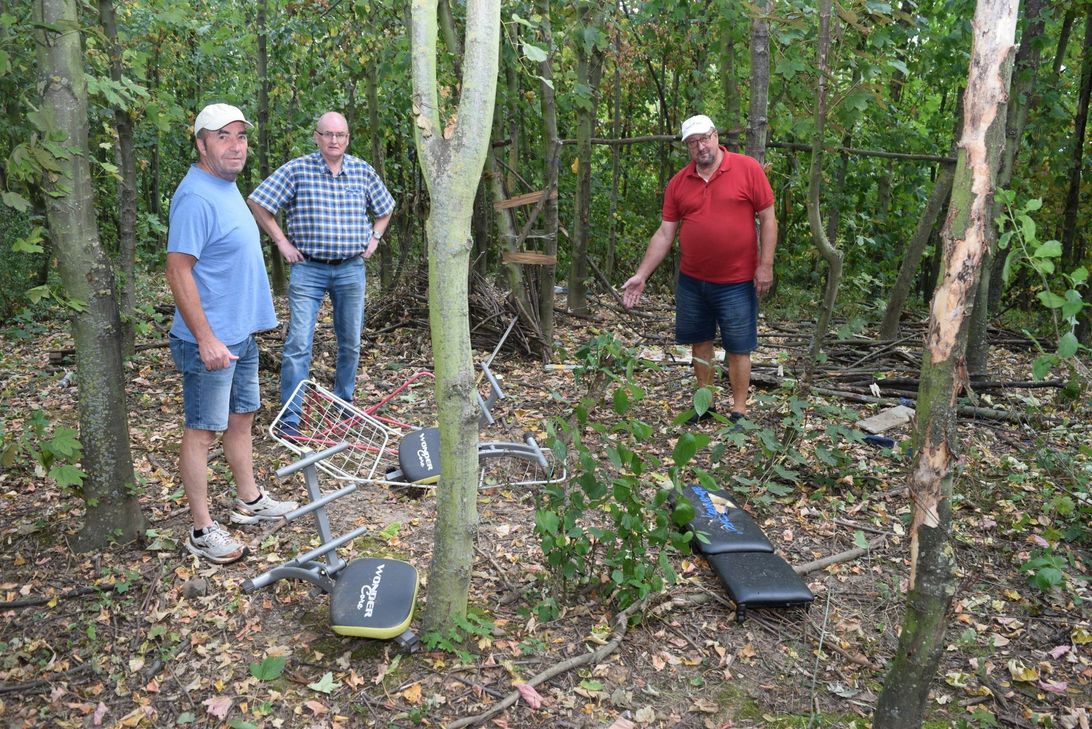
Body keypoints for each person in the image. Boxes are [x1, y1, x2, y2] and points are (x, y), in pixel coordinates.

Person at [166, 103, 298, 564]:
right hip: (211, 342)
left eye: (240, 136)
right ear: (201, 144)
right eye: (222, 136)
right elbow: (178, 270)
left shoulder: (226, 188)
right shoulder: (196, 197)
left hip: (238, 335)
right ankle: (201, 530)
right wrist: (205, 338)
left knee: (242, 417)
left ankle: (250, 500)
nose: (235, 145)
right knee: (202, 431)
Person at [621, 114, 777, 425]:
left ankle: (739, 409)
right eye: (693, 142)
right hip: (693, 281)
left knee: (738, 346)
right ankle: (705, 403)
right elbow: (665, 233)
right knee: (700, 342)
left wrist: (765, 265)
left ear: (716, 136)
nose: (700, 146)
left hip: (737, 279)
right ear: (687, 148)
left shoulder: (747, 169)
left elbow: (768, 219)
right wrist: (641, 275)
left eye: (704, 138)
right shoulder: (679, 183)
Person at [247, 112, 395, 436]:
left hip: (350, 269)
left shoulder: (362, 171)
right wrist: (281, 242)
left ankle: (344, 409)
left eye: (340, 135)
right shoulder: (298, 169)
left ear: (347, 138)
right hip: (308, 268)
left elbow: (385, 208)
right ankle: (290, 420)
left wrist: (375, 239)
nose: (333, 140)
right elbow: (259, 201)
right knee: (299, 342)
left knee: (351, 342)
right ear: (316, 137)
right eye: (327, 134)